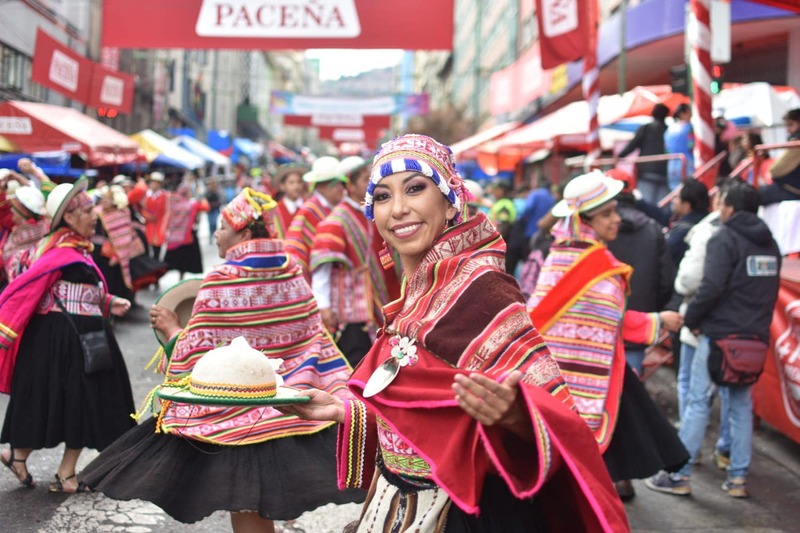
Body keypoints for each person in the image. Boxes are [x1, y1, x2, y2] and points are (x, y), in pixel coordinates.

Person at [282, 135, 629, 532]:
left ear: (450, 202)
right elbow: (419, 410)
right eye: (382, 196)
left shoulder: (482, 287)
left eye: (415, 188)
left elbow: (555, 418)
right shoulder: (412, 293)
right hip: (393, 506)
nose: (398, 209)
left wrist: (515, 415)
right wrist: (343, 409)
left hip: (465, 513)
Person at [80, 188, 361, 532]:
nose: (215, 232)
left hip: (236, 417)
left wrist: (171, 331)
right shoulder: (292, 271)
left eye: (223, 227)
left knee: (247, 510)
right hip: (294, 409)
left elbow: (198, 356)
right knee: (269, 505)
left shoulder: (222, 279)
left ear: (242, 234)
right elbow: (312, 336)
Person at [527, 171, 688, 502]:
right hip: (593, 379)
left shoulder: (559, 254)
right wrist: (658, 322)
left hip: (556, 380)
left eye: (614, 211)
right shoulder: (597, 264)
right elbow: (613, 320)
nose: (616, 219)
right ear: (585, 219)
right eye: (607, 214)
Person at [646, 181, 781, 499]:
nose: (718, 207)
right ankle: (737, 479)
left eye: (722, 202)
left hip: (719, 336)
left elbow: (711, 287)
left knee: (697, 402)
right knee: (741, 405)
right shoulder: (771, 244)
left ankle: (680, 475)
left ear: (730, 208)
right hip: (755, 339)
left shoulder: (725, 237)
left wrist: (691, 321)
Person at [0, 177, 136, 493]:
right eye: (88, 210)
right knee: (75, 400)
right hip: (66, 338)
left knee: (72, 401)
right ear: (70, 217)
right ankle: (52, 468)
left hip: (78, 336)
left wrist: (110, 301)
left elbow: (85, 291)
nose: (94, 216)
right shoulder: (59, 252)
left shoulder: (75, 249)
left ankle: (37, 462)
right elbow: (28, 292)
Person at [310, 156, 401, 367]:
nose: (371, 185)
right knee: (356, 361)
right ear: (348, 185)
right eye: (364, 180)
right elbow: (322, 269)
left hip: (381, 298)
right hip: (355, 309)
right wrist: (324, 307)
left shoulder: (370, 214)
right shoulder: (336, 221)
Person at [605, 169, 676, 376]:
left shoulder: (590, 230)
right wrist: (653, 313)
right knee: (630, 388)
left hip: (601, 327)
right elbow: (666, 281)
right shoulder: (652, 228)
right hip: (639, 325)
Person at [285, 156, 347, 280]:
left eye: (341, 183)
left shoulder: (335, 208)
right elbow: (295, 252)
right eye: (335, 184)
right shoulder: (308, 212)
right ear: (320, 186)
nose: (341, 188)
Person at [617, 103, 670, 204]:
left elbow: (633, 145)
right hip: (664, 171)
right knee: (663, 204)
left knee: (646, 203)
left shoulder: (646, 128)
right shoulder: (668, 129)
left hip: (646, 171)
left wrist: (620, 156)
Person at [162, 183, 208, 280]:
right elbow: (205, 207)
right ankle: (181, 277)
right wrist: (201, 197)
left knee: (172, 261)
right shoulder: (192, 205)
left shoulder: (173, 203)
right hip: (187, 237)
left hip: (174, 238)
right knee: (185, 260)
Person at [664, 178, 710, 267]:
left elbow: (663, 253)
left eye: (676, 197)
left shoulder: (682, 232)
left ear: (686, 205)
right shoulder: (707, 223)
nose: (672, 200)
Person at [760, 108, 800, 205]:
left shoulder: (796, 143)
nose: (788, 130)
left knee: (753, 195)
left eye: (791, 125)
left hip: (793, 190)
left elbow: (776, 170)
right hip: (792, 188)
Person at [664, 103, 695, 192]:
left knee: (674, 192)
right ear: (683, 113)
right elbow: (691, 146)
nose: (691, 115)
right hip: (687, 163)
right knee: (687, 191)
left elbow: (666, 149)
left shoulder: (669, 129)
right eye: (689, 112)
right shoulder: (689, 127)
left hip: (671, 164)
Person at [272, 163, 308, 239]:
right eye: (291, 183)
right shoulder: (276, 210)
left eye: (299, 182)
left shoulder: (308, 206)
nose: (296, 186)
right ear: (282, 186)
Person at [142, 171, 168, 260]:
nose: (154, 185)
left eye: (157, 183)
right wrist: (146, 215)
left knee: (157, 251)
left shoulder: (164, 195)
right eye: (153, 182)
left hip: (159, 225)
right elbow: (141, 209)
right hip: (148, 225)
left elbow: (167, 211)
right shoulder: (145, 195)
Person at [204, 178, 222, 244]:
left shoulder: (217, 191)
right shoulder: (208, 192)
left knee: (214, 223)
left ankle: (214, 235)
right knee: (211, 223)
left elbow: (221, 199)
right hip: (209, 209)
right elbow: (205, 199)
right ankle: (211, 236)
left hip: (216, 209)